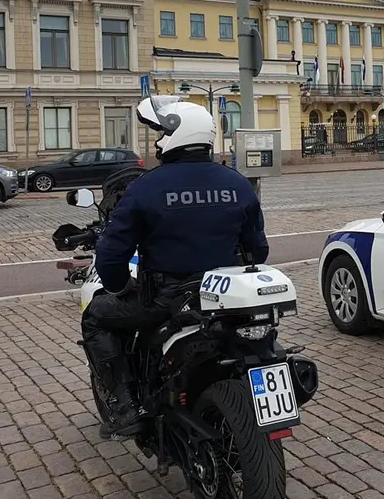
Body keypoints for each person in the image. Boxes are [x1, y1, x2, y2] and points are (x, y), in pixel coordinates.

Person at [81, 96, 269, 438]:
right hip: (223, 298)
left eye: (160, 132)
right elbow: (258, 249)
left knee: (95, 315)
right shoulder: (238, 183)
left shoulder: (145, 188)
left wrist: (121, 286)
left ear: (175, 135)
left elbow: (111, 257)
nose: (156, 141)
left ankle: (125, 407)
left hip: (166, 300)